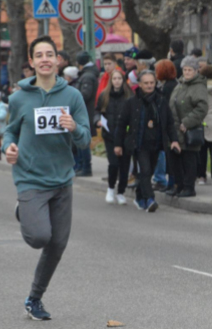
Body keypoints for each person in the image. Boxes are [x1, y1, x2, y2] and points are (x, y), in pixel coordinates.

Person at [2, 36, 91, 320]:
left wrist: (74, 127)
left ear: (57, 60)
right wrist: (9, 148)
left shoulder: (72, 97)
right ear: (31, 62)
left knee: (57, 245)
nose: (44, 59)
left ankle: (34, 299)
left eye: (49, 54)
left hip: (62, 180)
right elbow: (9, 132)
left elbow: (86, 140)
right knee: (39, 236)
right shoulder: (18, 98)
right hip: (30, 177)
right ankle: (26, 211)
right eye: (38, 55)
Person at [114, 70, 180, 211]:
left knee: (148, 173)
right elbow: (121, 124)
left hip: (156, 143)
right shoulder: (132, 102)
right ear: (140, 84)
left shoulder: (161, 101)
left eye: (152, 83)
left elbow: (169, 123)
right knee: (145, 170)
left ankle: (139, 198)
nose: (149, 86)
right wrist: (118, 144)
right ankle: (150, 199)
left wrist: (174, 140)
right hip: (139, 144)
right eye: (146, 83)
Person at [167, 55, 209, 197]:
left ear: (196, 71)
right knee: (176, 160)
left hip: (188, 130)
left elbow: (202, 108)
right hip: (176, 130)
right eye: (185, 69)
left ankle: (189, 187)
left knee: (189, 160)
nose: (187, 72)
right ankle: (179, 186)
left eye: (190, 70)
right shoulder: (180, 85)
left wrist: (187, 122)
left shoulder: (199, 86)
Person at [97, 69, 133, 205]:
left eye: (119, 78)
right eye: (114, 79)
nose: (117, 81)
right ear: (111, 81)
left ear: (123, 80)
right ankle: (111, 188)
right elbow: (97, 111)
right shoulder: (104, 95)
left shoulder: (129, 95)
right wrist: (97, 120)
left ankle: (121, 192)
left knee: (124, 166)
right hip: (110, 134)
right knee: (114, 164)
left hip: (126, 136)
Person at [153, 59, 179, 191]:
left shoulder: (168, 87)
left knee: (168, 155)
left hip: (168, 124)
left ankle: (169, 182)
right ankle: (169, 182)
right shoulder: (171, 84)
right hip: (169, 123)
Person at [74, 52, 101, 177]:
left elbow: (85, 95)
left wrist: (73, 98)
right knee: (80, 141)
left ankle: (85, 167)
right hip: (84, 113)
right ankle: (81, 166)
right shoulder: (88, 74)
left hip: (85, 114)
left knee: (82, 142)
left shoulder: (87, 76)